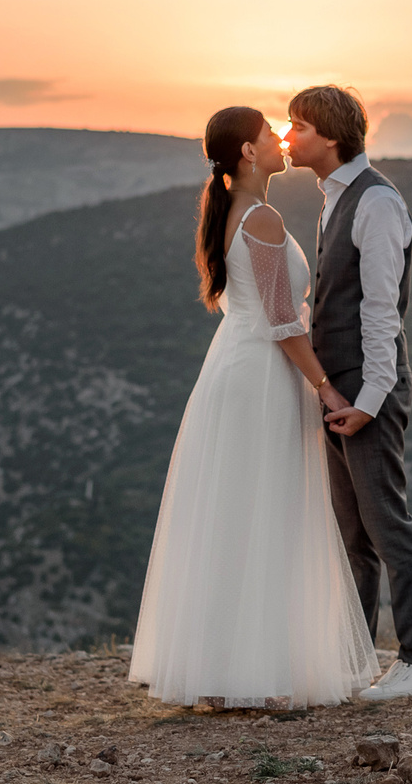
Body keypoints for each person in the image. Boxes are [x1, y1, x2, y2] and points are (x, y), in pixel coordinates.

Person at [128, 107, 378, 708]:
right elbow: (281, 319)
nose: (282, 139)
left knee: (236, 513)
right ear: (247, 151)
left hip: (239, 367)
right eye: (271, 132)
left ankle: (222, 671)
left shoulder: (235, 212)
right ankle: (255, 675)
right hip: (262, 376)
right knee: (264, 508)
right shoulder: (260, 217)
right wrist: (326, 386)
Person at [284, 85, 412, 701]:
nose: (287, 137)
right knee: (353, 535)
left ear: (328, 135)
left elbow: (383, 310)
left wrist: (370, 399)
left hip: (366, 389)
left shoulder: (375, 202)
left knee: (386, 525)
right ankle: (356, 663)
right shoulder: (334, 199)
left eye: (296, 126)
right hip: (342, 391)